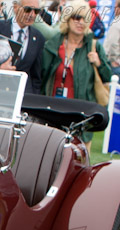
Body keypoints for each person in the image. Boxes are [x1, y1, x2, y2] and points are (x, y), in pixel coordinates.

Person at [39, 1, 110, 147]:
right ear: (68, 19)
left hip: (81, 116)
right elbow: (40, 76)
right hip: (53, 112)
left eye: (85, 19)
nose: (81, 23)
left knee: (77, 162)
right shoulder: (53, 44)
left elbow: (108, 76)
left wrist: (99, 64)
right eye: (77, 18)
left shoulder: (94, 46)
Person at [0, 0, 46, 94]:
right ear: (15, 7)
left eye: (36, 11)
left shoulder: (38, 38)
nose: (32, 15)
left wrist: (33, 99)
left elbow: (36, 76)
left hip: (22, 96)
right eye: (28, 9)